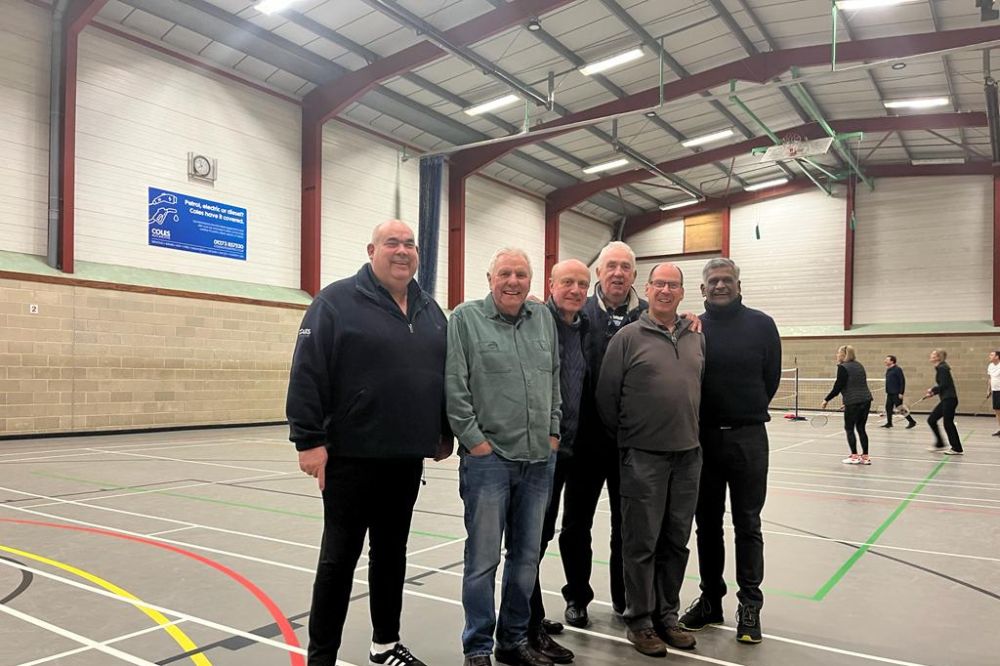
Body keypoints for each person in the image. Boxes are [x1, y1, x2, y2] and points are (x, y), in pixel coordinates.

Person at [286, 220, 453, 666]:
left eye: (410, 244)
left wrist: (441, 431)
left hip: (404, 460)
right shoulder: (335, 302)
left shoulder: (430, 310)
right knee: (338, 561)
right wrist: (308, 439)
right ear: (372, 250)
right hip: (350, 459)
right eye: (392, 243)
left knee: (391, 557)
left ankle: (385, 645)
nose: (402, 251)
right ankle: (321, 657)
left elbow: (442, 378)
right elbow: (307, 371)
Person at [446, 247, 562, 666]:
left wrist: (553, 432)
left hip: (538, 460)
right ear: (490, 277)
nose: (513, 281)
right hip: (488, 461)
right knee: (483, 560)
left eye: (522, 274)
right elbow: (455, 388)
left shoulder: (543, 319)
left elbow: (553, 381)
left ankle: (513, 641)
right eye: (505, 273)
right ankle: (477, 646)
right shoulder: (464, 319)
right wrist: (476, 442)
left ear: (531, 281)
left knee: (526, 559)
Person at [596, 263, 705, 658]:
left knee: (676, 541)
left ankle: (667, 615)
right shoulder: (627, 338)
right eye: (658, 283)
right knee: (640, 542)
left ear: (682, 292)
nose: (665, 290)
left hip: (688, 457)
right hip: (643, 458)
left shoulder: (696, 336)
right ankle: (640, 621)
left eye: (672, 285)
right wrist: (631, 442)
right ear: (648, 288)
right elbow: (607, 400)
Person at [679, 257, 780, 645]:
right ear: (702, 290)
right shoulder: (692, 328)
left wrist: (743, 413)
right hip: (702, 439)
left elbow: (769, 379)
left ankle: (750, 604)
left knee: (748, 524)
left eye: (727, 280)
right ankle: (710, 599)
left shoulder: (762, 325)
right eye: (713, 281)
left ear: (739, 284)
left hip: (748, 438)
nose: (720, 286)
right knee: (706, 525)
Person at [558, 241, 642, 628]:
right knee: (577, 524)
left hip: (631, 444)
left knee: (626, 527)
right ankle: (576, 596)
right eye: (611, 266)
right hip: (584, 444)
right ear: (599, 273)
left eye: (626, 267)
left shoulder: (647, 317)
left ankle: (626, 599)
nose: (618, 273)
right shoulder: (579, 314)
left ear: (634, 276)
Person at [525, 259, 592, 665]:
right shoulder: (536, 318)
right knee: (532, 538)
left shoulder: (583, 327)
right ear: (551, 285)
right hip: (542, 449)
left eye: (583, 283)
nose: (575, 288)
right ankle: (528, 625)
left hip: (574, 449)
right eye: (567, 281)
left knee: (545, 535)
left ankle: (529, 615)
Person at [822, 345, 874, 465]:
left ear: (843, 355)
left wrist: (826, 399)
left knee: (849, 428)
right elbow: (856, 384)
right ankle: (865, 457)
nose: (837, 355)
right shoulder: (859, 365)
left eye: (838, 353)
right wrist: (848, 402)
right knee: (861, 428)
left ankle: (854, 456)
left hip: (853, 401)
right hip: (866, 400)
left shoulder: (842, 367)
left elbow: (838, 386)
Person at [926, 349, 963, 455]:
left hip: (949, 399)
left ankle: (957, 448)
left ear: (938, 357)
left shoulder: (942, 368)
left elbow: (944, 384)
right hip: (946, 399)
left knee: (948, 423)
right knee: (932, 420)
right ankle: (940, 443)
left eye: (933, 354)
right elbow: (943, 385)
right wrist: (934, 392)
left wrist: (933, 390)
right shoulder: (941, 367)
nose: (931, 356)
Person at [881, 355, 917, 429]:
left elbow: (902, 381)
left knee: (900, 408)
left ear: (892, 361)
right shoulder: (888, 369)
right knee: (888, 408)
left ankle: (912, 421)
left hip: (896, 393)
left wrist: (901, 392)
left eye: (887, 360)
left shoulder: (897, 369)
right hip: (889, 393)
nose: (885, 361)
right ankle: (889, 423)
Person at [987, 350, 1000, 436]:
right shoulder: (990, 366)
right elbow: (990, 379)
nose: (989, 356)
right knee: (997, 410)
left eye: (992, 355)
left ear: (997, 357)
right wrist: (988, 390)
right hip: (995, 391)